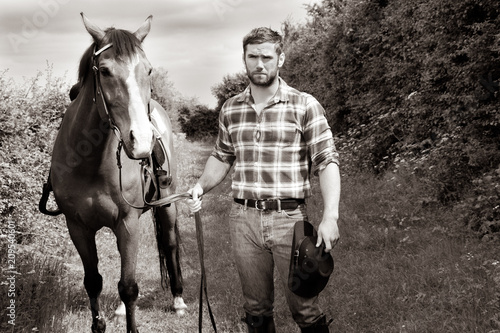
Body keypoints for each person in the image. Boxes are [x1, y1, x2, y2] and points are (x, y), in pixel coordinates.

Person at [186, 27, 341, 333]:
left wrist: (331, 216)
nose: (259, 64)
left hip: (290, 219)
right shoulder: (231, 109)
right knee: (255, 309)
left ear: (280, 59)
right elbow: (222, 156)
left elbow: (327, 161)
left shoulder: (304, 105)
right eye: (252, 56)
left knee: (305, 309)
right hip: (243, 220)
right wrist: (200, 185)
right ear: (244, 59)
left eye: (266, 57)